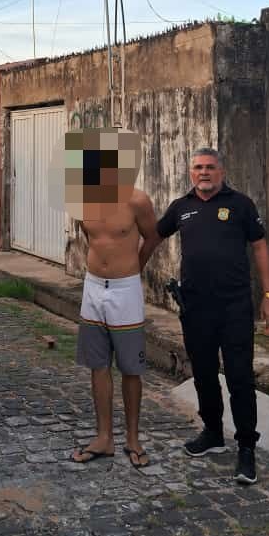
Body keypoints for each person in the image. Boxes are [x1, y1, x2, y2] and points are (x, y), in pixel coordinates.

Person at [153, 147, 269, 485]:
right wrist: (126, 268)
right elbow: (153, 235)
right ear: (190, 173)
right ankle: (212, 432)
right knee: (204, 375)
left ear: (221, 171)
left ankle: (246, 448)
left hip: (235, 307)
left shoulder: (240, 205)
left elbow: (260, 248)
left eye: (210, 167)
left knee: (240, 378)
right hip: (195, 307)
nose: (204, 173)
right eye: (198, 168)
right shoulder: (181, 208)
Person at [68, 129, 159, 469]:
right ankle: (104, 437)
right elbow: (88, 237)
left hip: (125, 291)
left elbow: (152, 237)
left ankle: (133, 439)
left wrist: (133, 269)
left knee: (130, 368)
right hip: (93, 288)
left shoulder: (136, 200)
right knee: (98, 364)